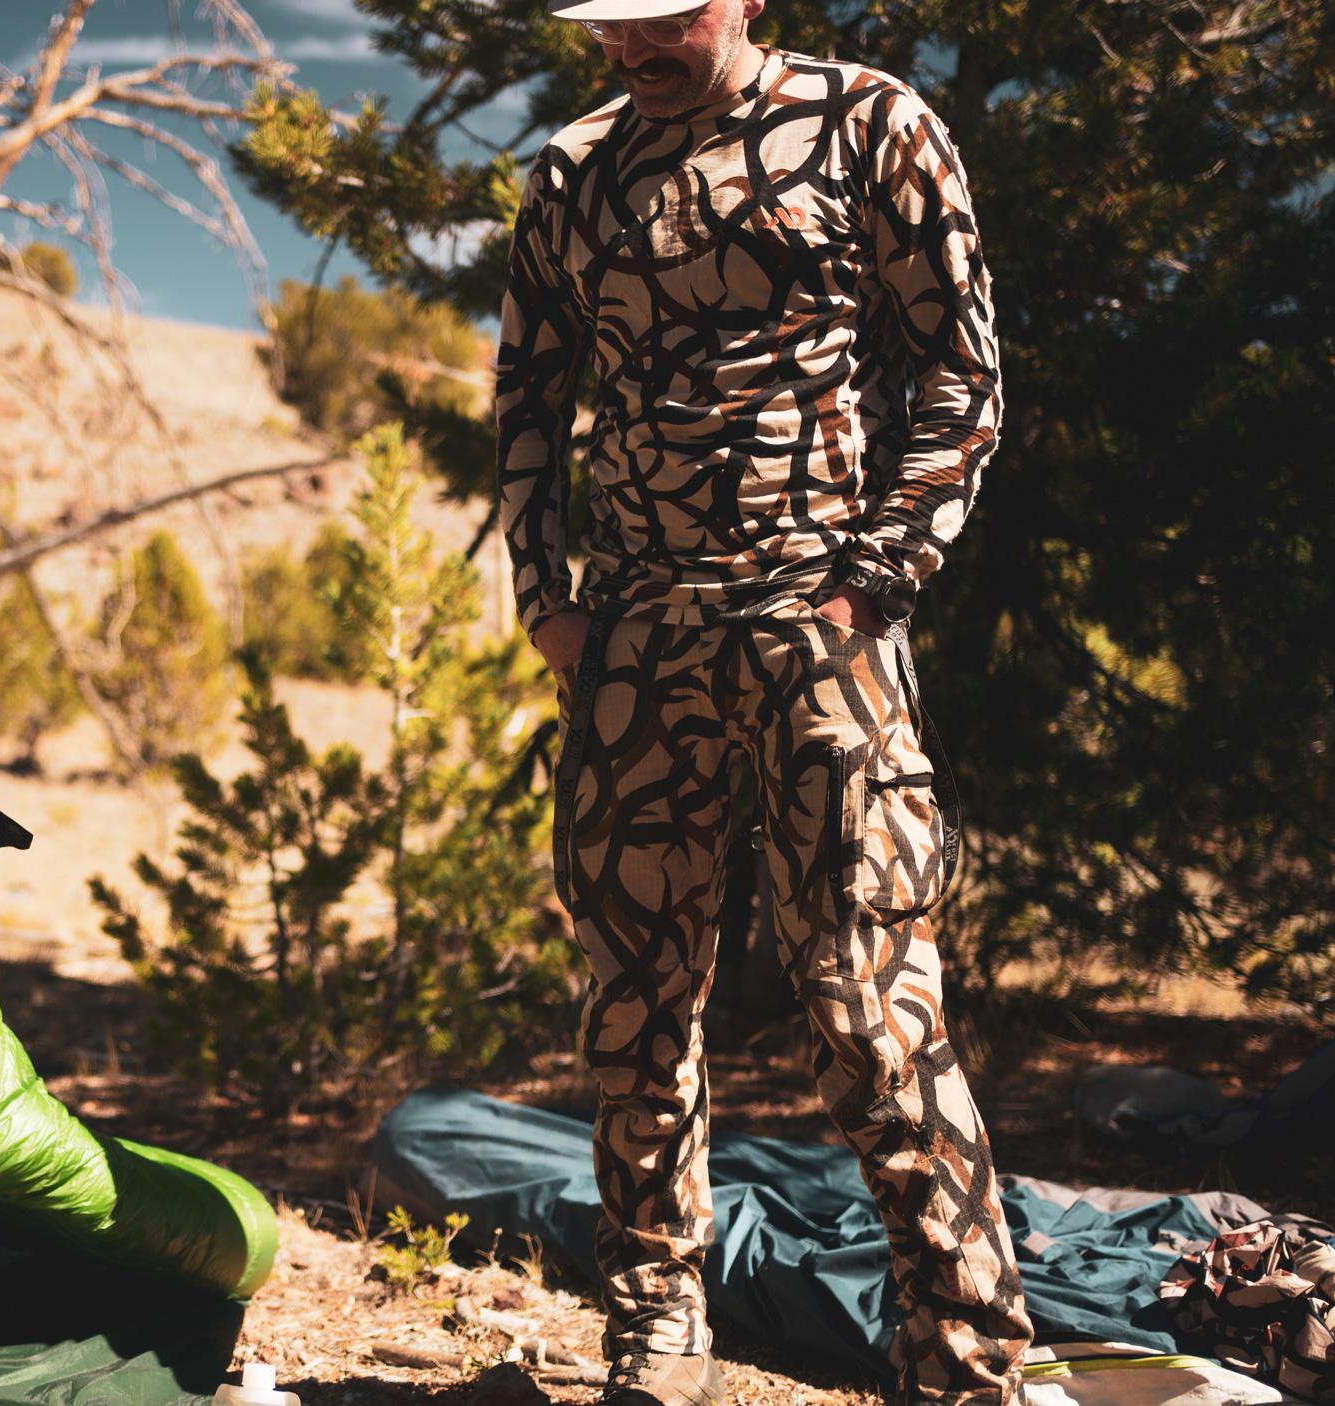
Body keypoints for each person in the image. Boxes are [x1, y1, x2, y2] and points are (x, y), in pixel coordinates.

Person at [492, 2, 1033, 1405]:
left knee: (871, 1001)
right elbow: (530, 395)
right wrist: (547, 592)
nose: (627, 51)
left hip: (820, 627)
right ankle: (657, 1330)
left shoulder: (869, 125)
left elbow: (963, 377)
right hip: (636, 635)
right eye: (608, 28)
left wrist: (875, 579)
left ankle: (966, 1356)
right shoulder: (574, 173)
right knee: (634, 1002)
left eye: (659, 22)